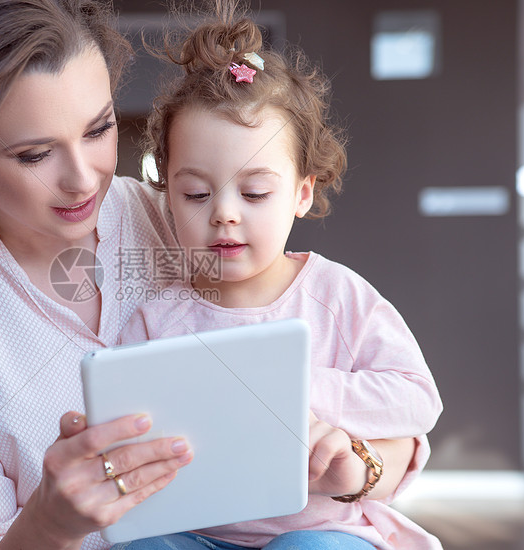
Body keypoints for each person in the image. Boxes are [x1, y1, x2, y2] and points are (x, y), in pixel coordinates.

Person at [0, 1, 427, 548]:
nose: (83, 178)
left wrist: (362, 465)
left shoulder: (171, 216)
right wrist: (50, 521)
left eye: (98, 130)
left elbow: (385, 412)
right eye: (34, 153)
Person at [113, 1, 444, 549]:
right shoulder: (157, 318)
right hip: (193, 530)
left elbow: (417, 399)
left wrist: (291, 391)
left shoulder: (337, 296)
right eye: (195, 193)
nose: (224, 213)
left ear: (302, 192)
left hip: (319, 527)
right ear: (167, 196)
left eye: (255, 193)